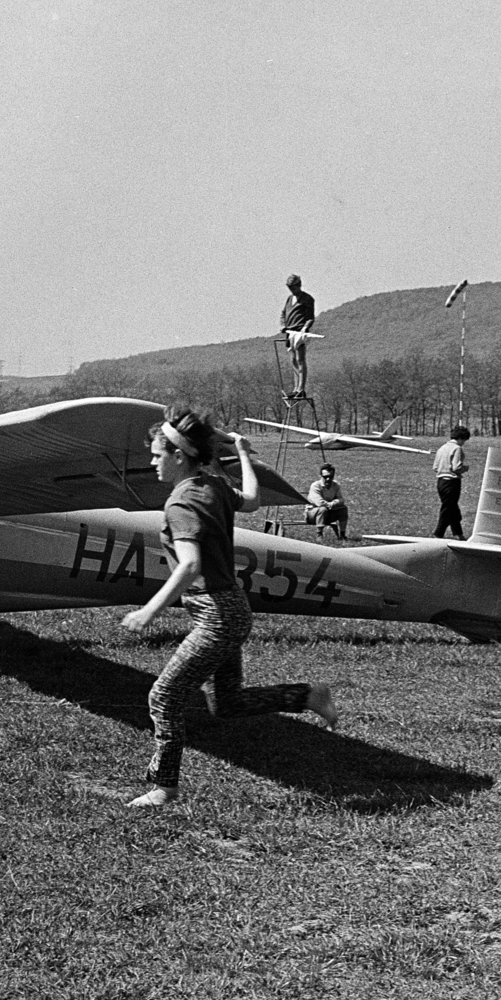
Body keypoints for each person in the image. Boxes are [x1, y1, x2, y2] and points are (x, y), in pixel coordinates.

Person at [120, 408, 338, 808]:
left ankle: (164, 788)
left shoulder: (182, 503)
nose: (152, 462)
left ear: (179, 455)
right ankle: (307, 695)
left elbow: (189, 565)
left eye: (157, 455)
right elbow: (252, 501)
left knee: (163, 696)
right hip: (232, 608)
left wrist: (148, 611)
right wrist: (241, 452)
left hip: (216, 617)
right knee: (226, 702)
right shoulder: (213, 484)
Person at [279, 273, 316, 401]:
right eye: (289, 288)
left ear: (299, 286)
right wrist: (283, 325)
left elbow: (310, 317)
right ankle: (295, 389)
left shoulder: (307, 299)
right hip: (289, 332)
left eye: (293, 288)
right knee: (293, 360)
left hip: (299, 332)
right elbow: (283, 314)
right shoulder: (289, 299)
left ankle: (301, 389)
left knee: (301, 360)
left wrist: (305, 328)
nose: (291, 290)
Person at [432, 426, 471, 539]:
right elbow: (456, 467)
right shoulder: (457, 448)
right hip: (452, 482)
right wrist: (465, 468)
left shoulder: (442, 448)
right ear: (461, 438)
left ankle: (458, 534)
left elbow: (435, 467)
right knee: (448, 509)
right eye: (464, 440)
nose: (464, 443)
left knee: (453, 509)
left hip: (441, 482)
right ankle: (438, 534)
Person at [304, 462, 349, 540]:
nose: (328, 479)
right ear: (321, 476)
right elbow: (318, 502)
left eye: (330, 477)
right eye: (325, 477)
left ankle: (342, 534)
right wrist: (330, 505)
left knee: (343, 509)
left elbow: (341, 499)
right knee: (322, 509)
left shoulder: (336, 485)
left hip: (329, 512)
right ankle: (319, 535)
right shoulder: (315, 486)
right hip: (312, 514)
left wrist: (334, 503)